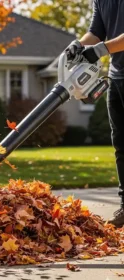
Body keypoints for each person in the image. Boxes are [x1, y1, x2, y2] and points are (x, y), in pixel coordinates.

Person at [65, 0, 124, 227]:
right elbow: (96, 32)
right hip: (118, 77)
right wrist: (77, 45)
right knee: (120, 145)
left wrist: (100, 50)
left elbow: (101, 45)